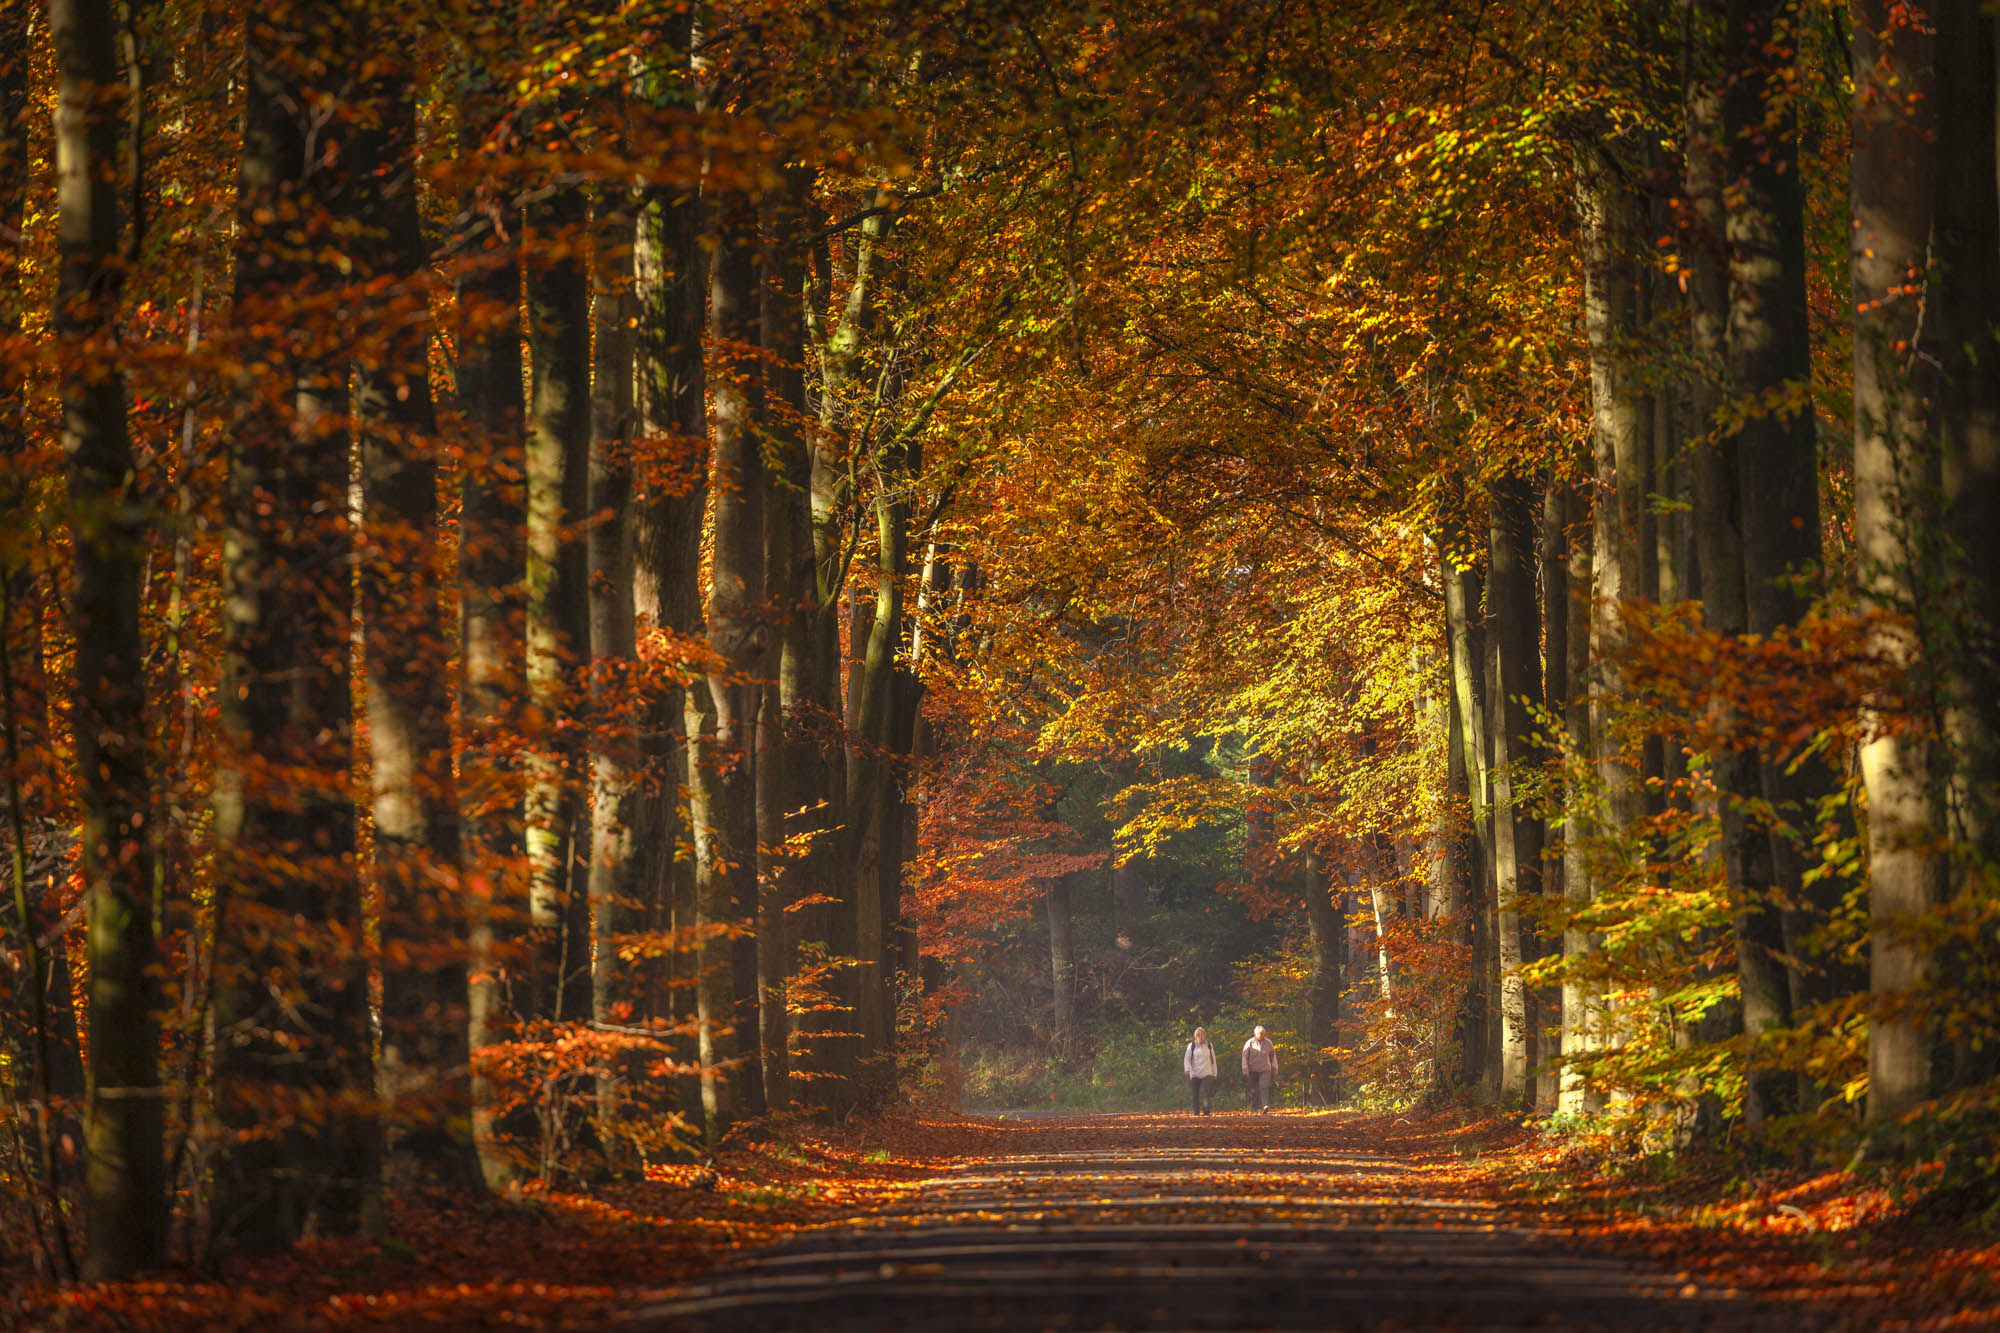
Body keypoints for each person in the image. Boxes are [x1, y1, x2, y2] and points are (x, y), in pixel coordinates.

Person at [1241, 1025, 1278, 1113]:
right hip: (1252, 1070)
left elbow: (1273, 1056)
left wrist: (1275, 1068)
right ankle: (1255, 1108)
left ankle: (1265, 1106)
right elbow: (1244, 1057)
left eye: (1262, 1033)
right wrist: (1245, 1068)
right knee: (1254, 1090)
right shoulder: (1249, 1043)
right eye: (1259, 1033)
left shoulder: (1268, 1043)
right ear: (1255, 1033)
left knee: (1264, 1087)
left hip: (1265, 1069)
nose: (1260, 1035)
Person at [1183, 1026, 1218, 1114]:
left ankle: (1206, 1111)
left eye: (1202, 1035)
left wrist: (1214, 1072)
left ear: (1204, 1036)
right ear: (1196, 1037)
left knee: (1206, 1092)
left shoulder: (1209, 1045)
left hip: (1207, 1072)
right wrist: (1187, 1068)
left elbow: (1213, 1059)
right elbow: (1187, 1058)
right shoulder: (1192, 1046)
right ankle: (1196, 1112)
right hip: (1195, 1073)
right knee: (1195, 1094)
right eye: (1198, 1036)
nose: (1200, 1037)